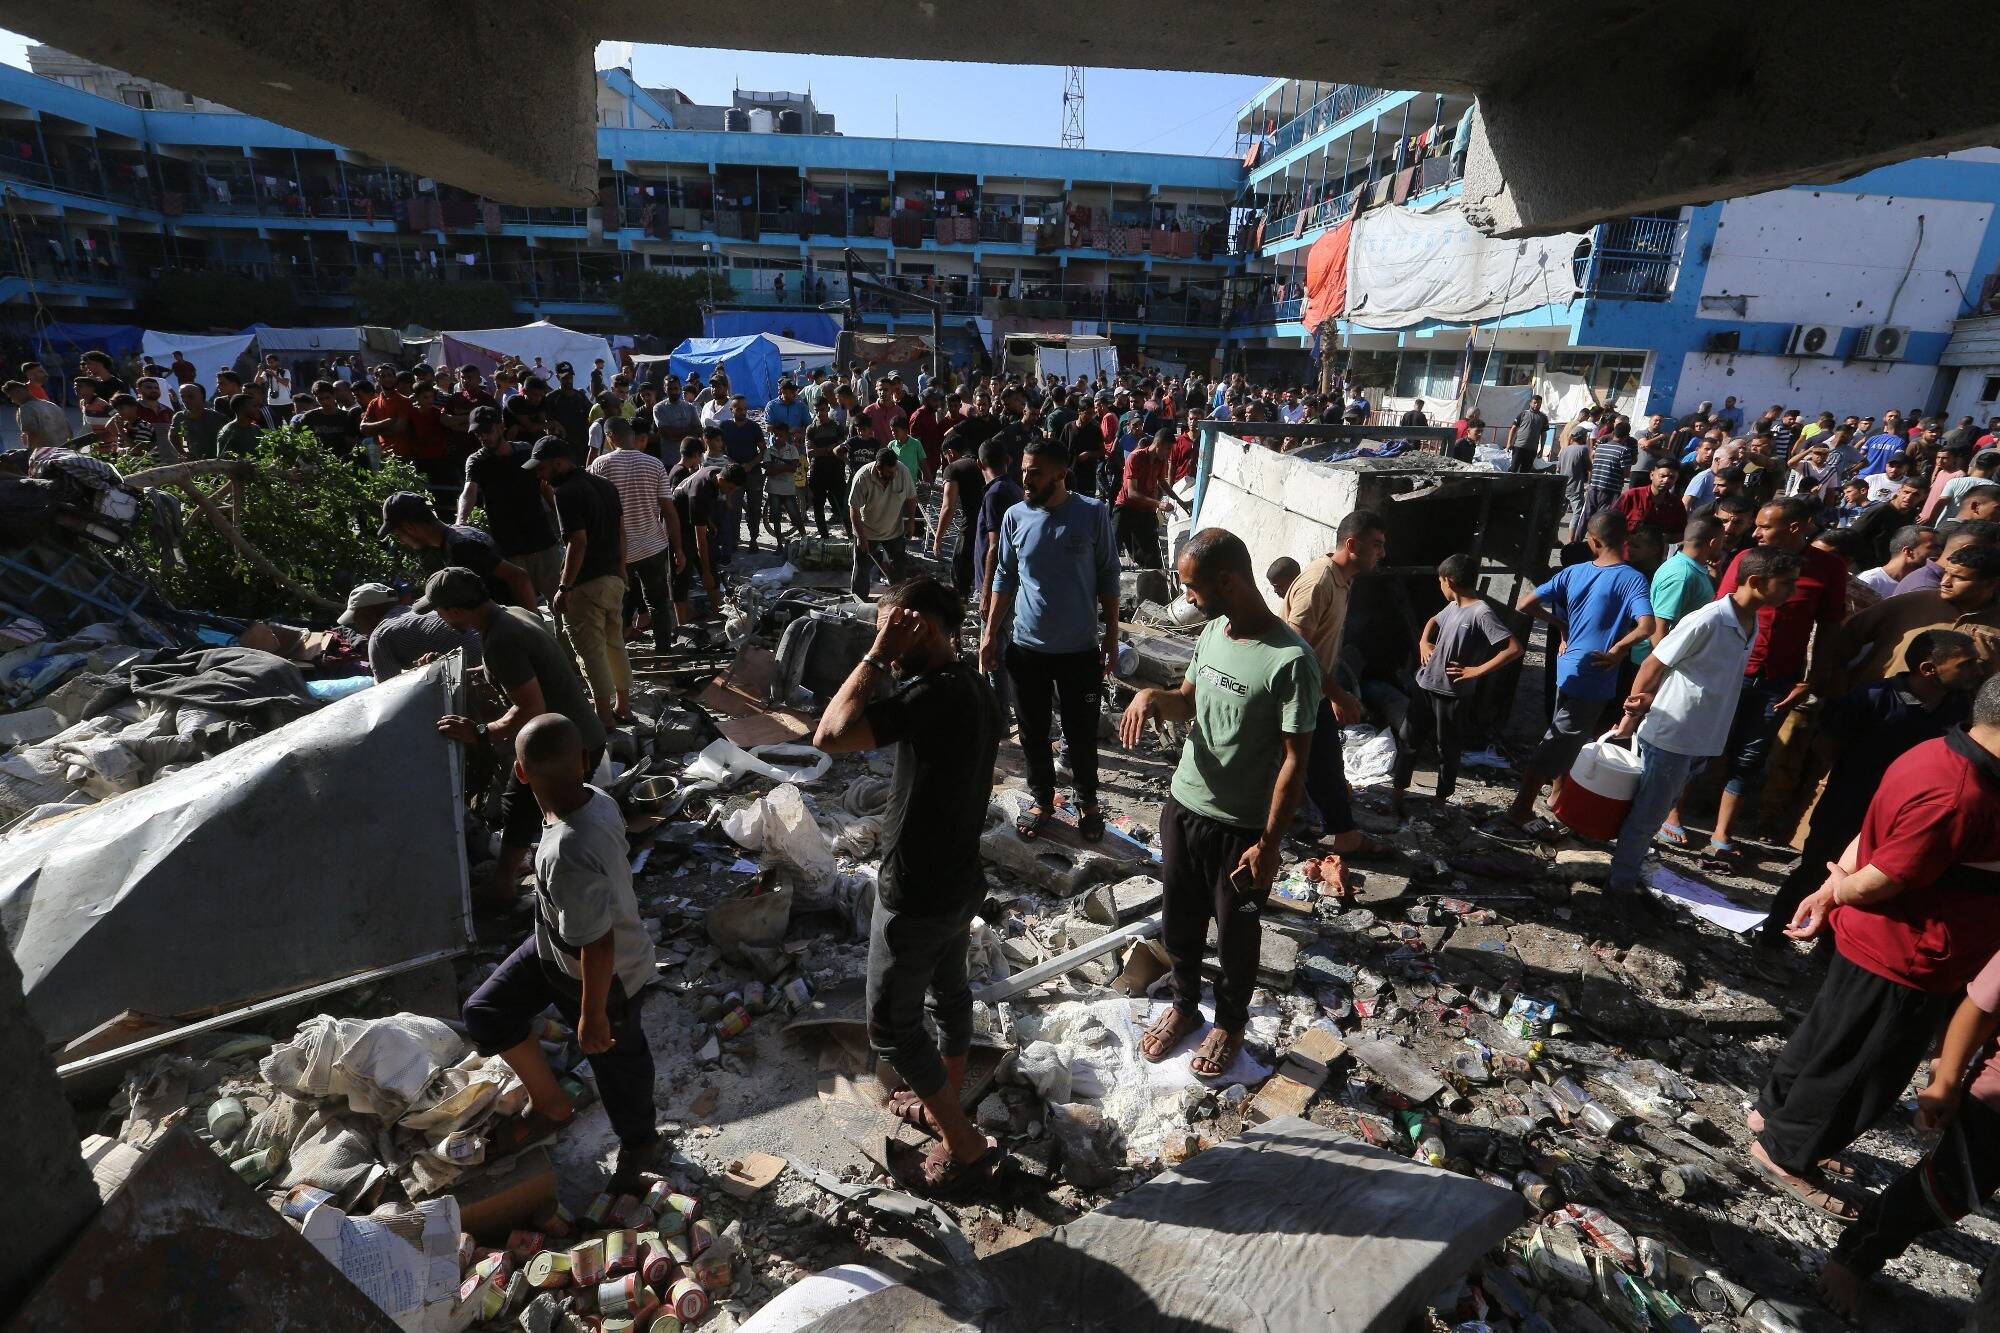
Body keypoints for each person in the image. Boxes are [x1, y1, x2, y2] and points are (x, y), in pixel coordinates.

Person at [1749, 673, 2000, 1221]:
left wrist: (1827, 892)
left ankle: (1774, 1115)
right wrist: (1837, 891)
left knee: (1830, 1036)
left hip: (1882, 941)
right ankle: (1788, 1152)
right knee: (1860, 1069)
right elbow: (1885, 873)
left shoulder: (1935, 752)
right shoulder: (1964, 793)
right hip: (1909, 951)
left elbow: (1872, 835)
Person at [812, 577, 1004, 1194]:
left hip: (917, 891)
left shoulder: (932, 696)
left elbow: (830, 736)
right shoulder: (973, 684)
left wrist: (872, 657)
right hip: (957, 880)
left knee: (892, 1026)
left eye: (890, 625)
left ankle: (965, 1146)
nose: (883, 639)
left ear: (917, 624)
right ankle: (946, 1105)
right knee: (948, 996)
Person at [1122, 528, 1319, 1079]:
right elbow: (1185, 701)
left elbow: (1294, 764)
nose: (1187, 597)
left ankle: (1229, 1023)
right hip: (1185, 808)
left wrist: (1270, 845)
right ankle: (1185, 1006)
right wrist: (1148, 697)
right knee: (1179, 924)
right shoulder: (1211, 633)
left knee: (1236, 936)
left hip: (1241, 830)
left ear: (1227, 580)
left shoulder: (1291, 661)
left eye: (1192, 587)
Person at [460, 713, 659, 1188]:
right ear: (585, 763)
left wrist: (592, 1016)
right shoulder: (598, 799)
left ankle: (639, 1145)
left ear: (522, 773)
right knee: (486, 1010)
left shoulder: (565, 852)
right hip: (557, 946)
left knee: (618, 1065)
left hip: (605, 977)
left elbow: (598, 943)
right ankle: (551, 1104)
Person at [1760, 628, 1982, 951]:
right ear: (1928, 669)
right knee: (1817, 870)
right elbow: (1827, 746)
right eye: (1965, 664)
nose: (1976, 671)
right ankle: (1774, 937)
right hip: (1849, 806)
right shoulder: (1874, 697)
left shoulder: (1959, 708)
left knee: (1871, 886)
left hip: (1904, 817)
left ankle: (1831, 952)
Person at [1817, 943, 2000, 1319]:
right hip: (1996, 1099)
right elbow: (1977, 1009)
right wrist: (1946, 1079)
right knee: (1946, 1191)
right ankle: (1855, 1257)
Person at [1607, 547, 1802, 893]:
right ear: (1756, 582)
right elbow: (1654, 663)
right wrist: (1631, 716)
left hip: (1703, 737)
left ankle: (1628, 868)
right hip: (1674, 732)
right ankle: (1619, 886)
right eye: (1786, 583)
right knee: (1648, 814)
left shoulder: (1751, 620)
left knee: (1660, 805)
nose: (1792, 591)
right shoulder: (1709, 619)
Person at [981, 438, 1120, 841]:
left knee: (1080, 735)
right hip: (1027, 650)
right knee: (1032, 732)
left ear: (1060, 474)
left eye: (1035, 471)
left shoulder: (1092, 513)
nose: (1026, 478)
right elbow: (1004, 577)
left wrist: (1110, 640)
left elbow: (1108, 578)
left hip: (1079, 651)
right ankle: (1042, 800)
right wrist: (990, 633)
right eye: (1024, 469)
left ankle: (1087, 804)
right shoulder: (1014, 517)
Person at [1703, 498, 1849, 861]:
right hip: (1731, 671)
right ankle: (1675, 810)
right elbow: (1719, 613)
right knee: (1704, 738)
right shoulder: (1745, 558)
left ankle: (1722, 831)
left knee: (1752, 753)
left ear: (1795, 528)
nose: (1757, 533)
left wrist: (1813, 678)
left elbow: (1830, 625)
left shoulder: (1828, 569)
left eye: (1766, 526)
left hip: (1779, 679)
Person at [1497, 511, 1657, 837]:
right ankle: (1520, 809)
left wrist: (1562, 626)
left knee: (1566, 736)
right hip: (1596, 673)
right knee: (1558, 740)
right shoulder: (1632, 579)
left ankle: (1556, 796)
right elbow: (1647, 626)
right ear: (1622, 541)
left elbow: (1525, 603)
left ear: (1595, 541)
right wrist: (1618, 649)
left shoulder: (1573, 572)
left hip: (1568, 666)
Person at [1284, 511, 1399, 856]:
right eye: (1376, 545)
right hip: (1293, 692)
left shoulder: (1342, 580)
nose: (1382, 553)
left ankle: (1336, 831)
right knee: (1307, 763)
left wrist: (1331, 692)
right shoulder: (1318, 582)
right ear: (1352, 545)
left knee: (1322, 763)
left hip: (1312, 690)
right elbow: (1297, 651)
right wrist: (1338, 693)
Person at [1391, 554, 1524, 814]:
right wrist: (1423, 641)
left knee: (1447, 748)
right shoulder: (1453, 606)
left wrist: (1476, 671)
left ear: (1448, 581)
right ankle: (1396, 794)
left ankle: (1440, 801)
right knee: (1408, 739)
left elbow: (1514, 648)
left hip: (1452, 694)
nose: (1440, 586)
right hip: (1425, 685)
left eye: (1440, 581)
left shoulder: (1480, 611)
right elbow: (1433, 620)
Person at [526, 436, 628, 727]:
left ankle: (604, 718)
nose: (540, 475)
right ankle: (624, 707)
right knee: (615, 644)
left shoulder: (566, 492)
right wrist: (622, 570)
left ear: (558, 462)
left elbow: (577, 542)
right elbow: (622, 533)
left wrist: (564, 587)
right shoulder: (604, 485)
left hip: (586, 584)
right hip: (612, 579)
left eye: (542, 468)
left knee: (591, 652)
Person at [1817, 544, 2000, 693]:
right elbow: (1844, 642)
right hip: (1870, 706)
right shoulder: (1910, 603)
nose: (1945, 581)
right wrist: (1838, 688)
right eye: (1946, 573)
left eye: (1958, 577)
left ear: (1991, 583)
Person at [590, 416, 683, 654]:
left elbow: (594, 511)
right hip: (653, 546)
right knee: (659, 604)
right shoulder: (654, 464)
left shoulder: (600, 465)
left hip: (619, 551)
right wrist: (679, 550)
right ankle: (663, 655)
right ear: (632, 436)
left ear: (610, 438)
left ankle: (619, 659)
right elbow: (669, 512)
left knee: (618, 606)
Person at [458, 406, 561, 603]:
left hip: (542, 541)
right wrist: (460, 522)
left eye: (487, 431)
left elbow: (544, 485)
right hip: (510, 549)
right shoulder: (478, 462)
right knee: (524, 609)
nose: (483, 437)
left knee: (560, 601)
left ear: (500, 427)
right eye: (479, 434)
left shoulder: (524, 452)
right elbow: (469, 492)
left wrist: (560, 514)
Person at [381, 490, 538, 608]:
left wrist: (533, 626)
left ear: (410, 527)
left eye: (398, 535)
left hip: (512, 627)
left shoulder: (461, 546)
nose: (401, 541)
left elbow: (519, 577)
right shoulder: (455, 537)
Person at [671, 461, 745, 627]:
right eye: (731, 488)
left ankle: (718, 613)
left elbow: (702, 514)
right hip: (677, 526)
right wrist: (704, 572)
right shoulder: (700, 492)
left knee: (712, 568)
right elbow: (700, 541)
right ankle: (682, 625)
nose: (730, 493)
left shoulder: (718, 473)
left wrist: (709, 522)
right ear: (721, 481)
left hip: (696, 519)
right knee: (681, 572)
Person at [1114, 428, 1183, 570]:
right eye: (1168, 449)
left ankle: (1152, 583)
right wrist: (1159, 504)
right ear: (1158, 444)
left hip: (1146, 510)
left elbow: (1162, 482)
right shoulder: (1135, 457)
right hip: (1126, 507)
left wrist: (1180, 501)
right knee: (1113, 545)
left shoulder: (1160, 460)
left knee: (1152, 555)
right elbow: (1132, 493)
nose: (1170, 453)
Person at [933, 435, 988, 597]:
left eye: (946, 458)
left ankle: (959, 609)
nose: (947, 462)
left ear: (950, 452)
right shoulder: (981, 463)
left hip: (970, 526)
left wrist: (938, 537)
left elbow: (948, 507)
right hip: (992, 525)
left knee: (959, 574)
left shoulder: (953, 469)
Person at [717, 395, 765, 555]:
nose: (743, 411)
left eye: (745, 408)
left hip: (753, 473)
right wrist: (733, 464)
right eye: (739, 409)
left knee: (754, 508)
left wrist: (751, 465)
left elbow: (763, 450)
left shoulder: (754, 427)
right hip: (733, 475)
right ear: (732, 410)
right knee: (733, 508)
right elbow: (721, 449)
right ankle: (734, 539)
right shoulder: (725, 426)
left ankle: (753, 539)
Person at [1857, 523, 1937, 598]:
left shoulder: (1919, 585)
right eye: (1933, 547)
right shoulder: (1870, 581)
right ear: (1908, 551)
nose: (1939, 552)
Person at [1617, 461, 1688, 540]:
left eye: (1672, 477)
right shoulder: (1631, 496)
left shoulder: (1676, 504)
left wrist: (1660, 539)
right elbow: (1610, 523)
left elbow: (1681, 533)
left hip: (1656, 551)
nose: (1666, 480)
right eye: (1662, 476)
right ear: (1652, 475)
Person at [5, 380, 68, 452]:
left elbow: (33, 434)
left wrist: (29, 453)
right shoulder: (52, 405)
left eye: (11, 397)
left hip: (45, 455)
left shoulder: (26, 408)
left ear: (17, 393)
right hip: (65, 451)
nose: (13, 401)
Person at [168, 382, 225, 460]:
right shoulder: (180, 417)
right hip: (193, 462)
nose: (185, 400)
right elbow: (175, 436)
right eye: (182, 397)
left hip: (215, 460)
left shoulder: (216, 417)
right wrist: (183, 452)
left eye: (190, 396)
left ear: (201, 396)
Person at [1557, 429, 1592, 540]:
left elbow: (1558, 468)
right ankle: (1570, 540)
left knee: (1559, 513)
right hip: (1575, 486)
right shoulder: (1583, 449)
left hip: (1563, 485)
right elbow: (1589, 467)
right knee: (1577, 513)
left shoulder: (1565, 450)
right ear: (1582, 437)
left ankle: (1554, 538)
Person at [1506, 394, 1549, 473]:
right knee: (1513, 469)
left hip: (1532, 450)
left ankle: (1521, 485)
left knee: (1525, 472)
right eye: (1535, 403)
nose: (1537, 405)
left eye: (1539, 403)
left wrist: (1542, 449)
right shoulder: (1523, 414)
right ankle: (1509, 485)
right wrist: (1509, 443)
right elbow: (1513, 429)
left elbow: (1543, 434)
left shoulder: (1543, 418)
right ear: (1530, 403)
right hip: (1519, 447)